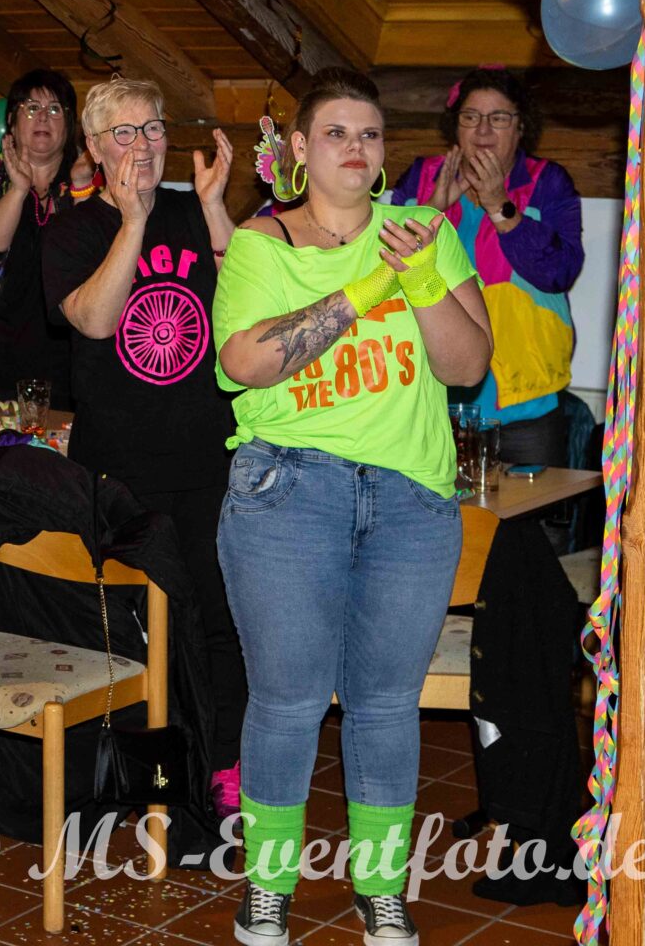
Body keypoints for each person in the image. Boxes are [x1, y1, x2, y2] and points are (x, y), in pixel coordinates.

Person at [212, 69, 492, 946]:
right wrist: (373, 285)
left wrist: (421, 278)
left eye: (369, 135)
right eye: (336, 133)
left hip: (411, 502)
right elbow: (246, 362)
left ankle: (382, 893)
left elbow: (468, 366)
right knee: (288, 701)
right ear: (300, 148)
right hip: (289, 493)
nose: (356, 149)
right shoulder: (261, 243)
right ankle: (269, 890)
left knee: (385, 704)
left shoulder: (427, 235)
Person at [42, 76, 249, 814]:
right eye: (123, 133)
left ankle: (224, 767)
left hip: (207, 460)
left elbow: (248, 298)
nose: (142, 145)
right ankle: (144, 775)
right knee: (127, 629)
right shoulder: (71, 231)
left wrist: (216, 205)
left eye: (153, 128)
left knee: (220, 619)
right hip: (118, 470)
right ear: (94, 148)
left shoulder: (196, 211)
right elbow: (96, 321)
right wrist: (131, 223)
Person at [388, 68, 584, 480]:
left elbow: (559, 273)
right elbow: (385, 271)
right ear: (455, 125)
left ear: (521, 126)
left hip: (526, 400)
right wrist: (433, 209)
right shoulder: (423, 176)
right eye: (471, 116)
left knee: (534, 514)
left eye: (498, 117)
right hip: (432, 396)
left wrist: (499, 205)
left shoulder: (548, 181)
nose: (482, 130)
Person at [0, 69, 95, 406]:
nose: (43, 117)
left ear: (69, 125)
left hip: (72, 355)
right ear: (11, 122)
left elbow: (98, 263)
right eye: (31, 108)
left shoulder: (88, 180)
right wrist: (17, 190)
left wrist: (83, 188)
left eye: (55, 109)